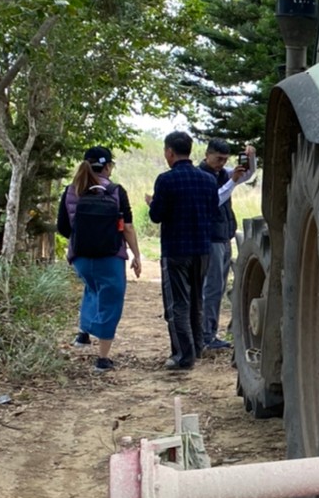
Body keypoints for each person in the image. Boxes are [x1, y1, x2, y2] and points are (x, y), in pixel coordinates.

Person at [56, 146, 141, 372]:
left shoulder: (70, 191)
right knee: (111, 300)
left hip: (81, 257)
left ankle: (83, 334)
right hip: (110, 256)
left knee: (92, 288)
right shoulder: (115, 191)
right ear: (106, 166)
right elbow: (128, 228)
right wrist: (136, 255)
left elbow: (63, 227)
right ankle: (103, 359)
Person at [147, 129, 220, 373]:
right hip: (202, 248)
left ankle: (182, 355)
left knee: (177, 303)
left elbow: (156, 216)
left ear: (170, 152)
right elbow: (212, 212)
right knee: (196, 300)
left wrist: (152, 203)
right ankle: (197, 347)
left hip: (176, 249)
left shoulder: (165, 180)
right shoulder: (208, 180)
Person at [199, 138, 257, 351]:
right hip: (211, 238)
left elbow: (248, 175)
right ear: (207, 155)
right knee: (212, 288)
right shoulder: (203, 176)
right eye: (218, 159)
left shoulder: (223, 174)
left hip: (224, 237)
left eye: (225, 159)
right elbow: (214, 200)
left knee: (220, 287)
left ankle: (209, 332)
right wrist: (232, 181)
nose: (222, 163)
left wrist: (252, 158)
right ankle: (206, 335)